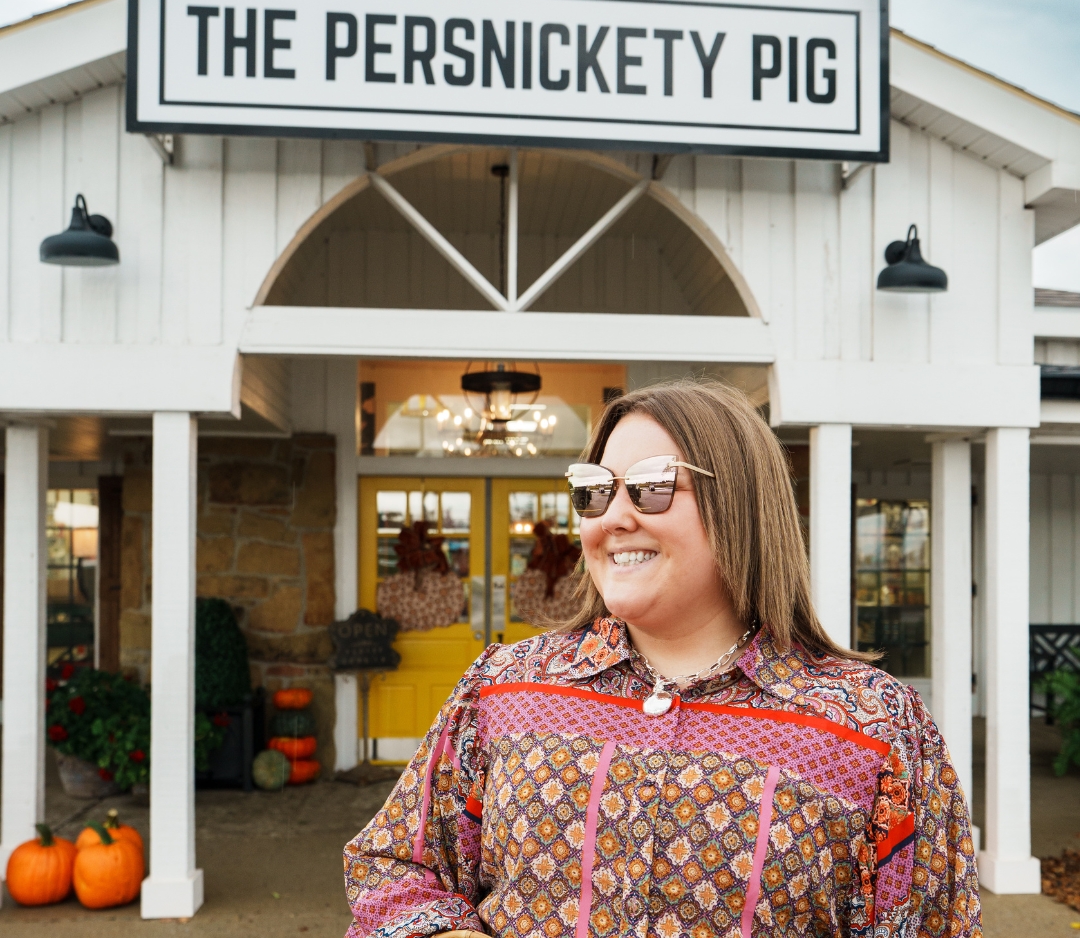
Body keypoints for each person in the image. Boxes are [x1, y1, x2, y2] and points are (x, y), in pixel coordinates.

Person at [344, 380, 981, 938]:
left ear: (741, 504)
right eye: (594, 492)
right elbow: (394, 866)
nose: (613, 518)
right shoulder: (505, 690)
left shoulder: (872, 726)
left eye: (651, 487)